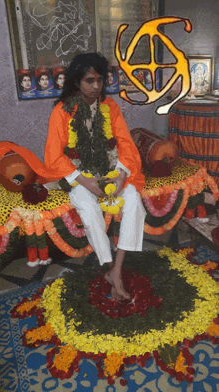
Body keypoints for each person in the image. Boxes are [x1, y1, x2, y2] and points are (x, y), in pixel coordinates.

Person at [44, 53, 146, 300]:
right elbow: (54, 155)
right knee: (88, 208)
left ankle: (116, 271)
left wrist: (121, 176)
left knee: (134, 201)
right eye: (90, 80)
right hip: (79, 175)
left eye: (100, 80)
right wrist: (84, 180)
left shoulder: (109, 106)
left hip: (111, 171)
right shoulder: (62, 110)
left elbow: (124, 143)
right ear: (77, 81)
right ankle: (107, 265)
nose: (96, 86)